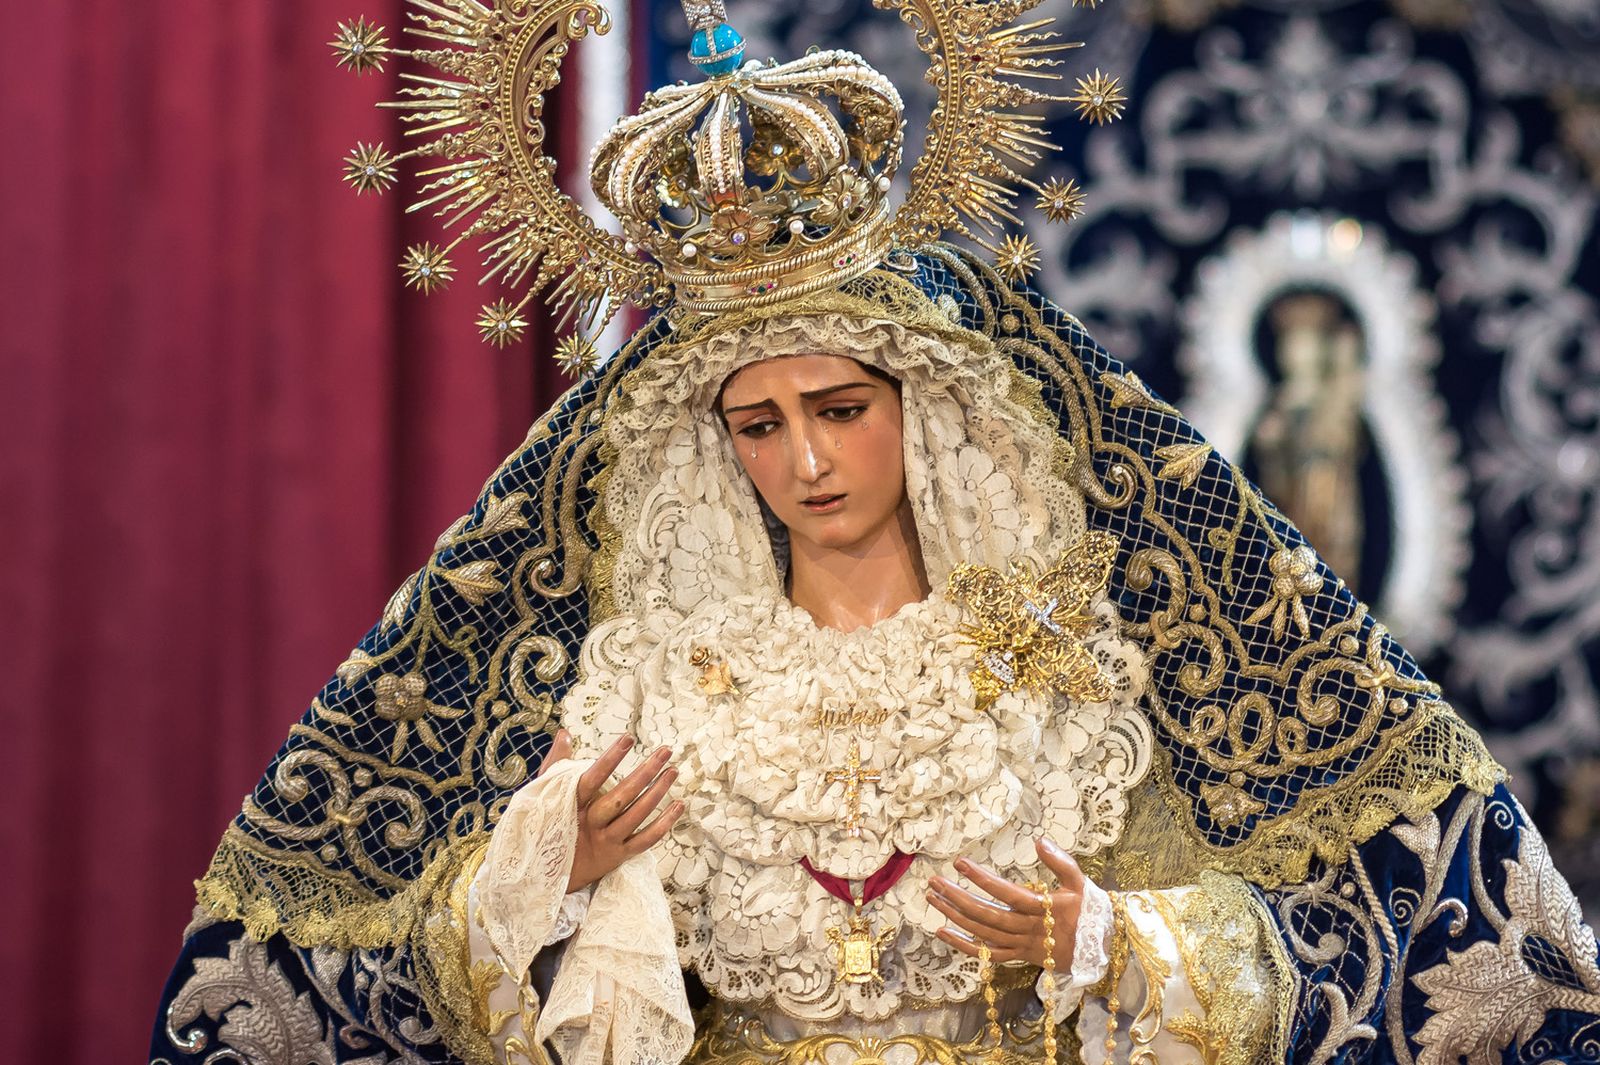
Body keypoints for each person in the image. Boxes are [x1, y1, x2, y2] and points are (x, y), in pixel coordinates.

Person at [151, 0, 1600, 1062]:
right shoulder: (653, 682)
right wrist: (548, 875)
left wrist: (1113, 942)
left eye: (840, 406)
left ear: (925, 404)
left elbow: (1282, 952)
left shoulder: (1061, 667)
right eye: (758, 422)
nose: (806, 459)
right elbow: (498, 1011)